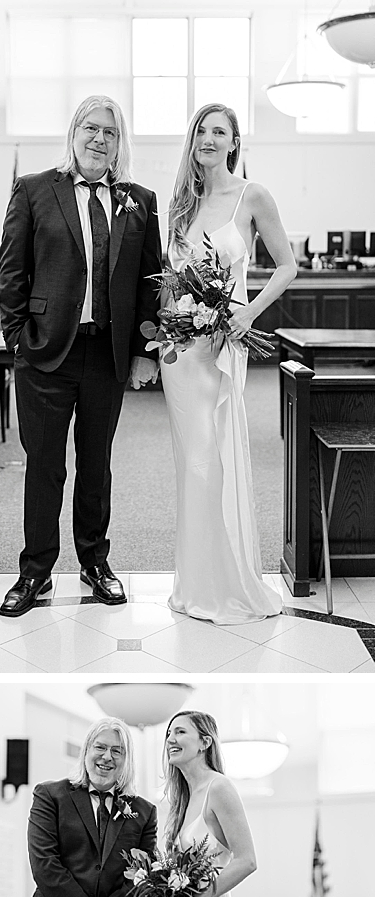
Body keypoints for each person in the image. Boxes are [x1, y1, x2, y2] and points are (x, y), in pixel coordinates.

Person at [0, 96, 162, 617]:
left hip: (106, 354)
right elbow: (10, 273)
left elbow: (148, 282)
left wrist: (144, 352)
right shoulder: (34, 190)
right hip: (45, 353)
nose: (99, 139)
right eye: (91, 129)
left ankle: (94, 562)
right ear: (73, 133)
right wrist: (19, 340)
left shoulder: (140, 200)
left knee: (97, 465)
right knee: (44, 465)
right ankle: (35, 572)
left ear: (120, 143)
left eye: (110, 133)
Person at [160, 103, 294, 624]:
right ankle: (194, 584)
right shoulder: (179, 203)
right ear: (192, 140)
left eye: (220, 131)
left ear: (234, 143)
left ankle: (232, 584)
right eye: (202, 129)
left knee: (218, 458)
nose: (209, 138)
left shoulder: (252, 194)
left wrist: (247, 315)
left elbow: (287, 267)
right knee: (190, 465)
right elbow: (170, 280)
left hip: (223, 346)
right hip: (181, 353)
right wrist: (167, 331)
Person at [19, 716, 159, 897]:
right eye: (100, 747)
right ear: (86, 750)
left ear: (126, 760)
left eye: (117, 751)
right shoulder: (50, 795)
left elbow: (143, 877)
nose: (107, 757)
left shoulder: (144, 812)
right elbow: (44, 864)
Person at [147, 711, 255, 897]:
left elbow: (247, 861)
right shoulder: (182, 799)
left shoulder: (219, 787)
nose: (171, 739)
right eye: (169, 733)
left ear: (205, 742)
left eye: (180, 732)